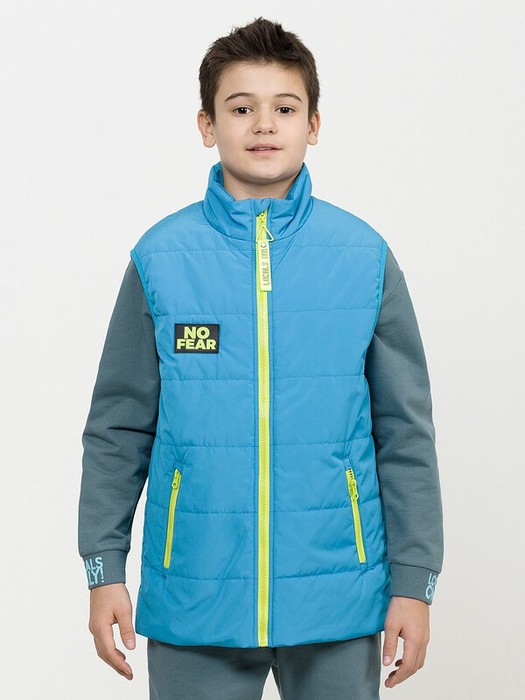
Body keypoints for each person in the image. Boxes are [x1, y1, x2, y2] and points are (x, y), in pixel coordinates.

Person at [78, 17, 444, 700]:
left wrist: (414, 583)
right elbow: (117, 428)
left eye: (285, 108)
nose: (264, 125)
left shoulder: (363, 258)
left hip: (339, 598)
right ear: (206, 124)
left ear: (313, 124)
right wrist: (104, 568)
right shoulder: (161, 259)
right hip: (195, 597)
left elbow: (405, 434)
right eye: (241, 108)